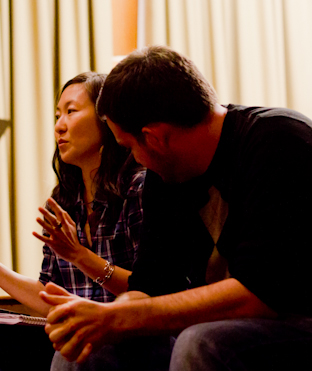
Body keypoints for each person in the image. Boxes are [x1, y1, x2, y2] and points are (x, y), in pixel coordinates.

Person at [40, 45, 312, 371]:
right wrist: (99, 319)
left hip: (295, 318)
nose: (133, 161)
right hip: (221, 322)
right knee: (86, 350)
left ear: (154, 138)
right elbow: (151, 287)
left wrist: (119, 316)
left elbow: (259, 294)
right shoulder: (165, 175)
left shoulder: (279, 141)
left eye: (128, 147)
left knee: (201, 343)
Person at [0, 72, 145, 370]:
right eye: (56, 115)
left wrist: (81, 257)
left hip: (132, 333)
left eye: (71, 112)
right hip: (74, 331)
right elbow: (46, 295)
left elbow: (150, 290)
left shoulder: (139, 189)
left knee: (73, 350)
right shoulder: (65, 200)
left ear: (106, 119)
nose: (59, 126)